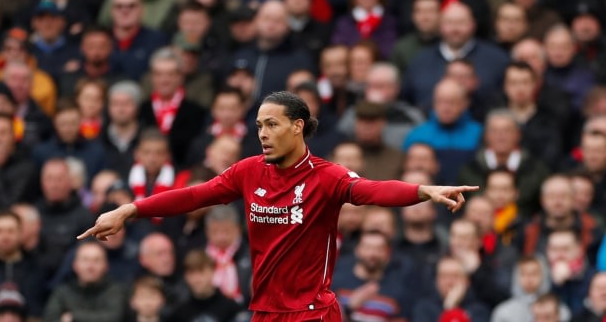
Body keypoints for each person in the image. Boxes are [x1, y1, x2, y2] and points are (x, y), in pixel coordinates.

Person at [78, 91, 478, 321]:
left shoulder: (327, 177)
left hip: (311, 313)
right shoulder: (248, 172)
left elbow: (374, 191)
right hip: (265, 311)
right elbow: (194, 196)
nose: (263, 134)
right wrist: (130, 209)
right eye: (258, 126)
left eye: (271, 124)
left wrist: (422, 190)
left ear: (297, 126)